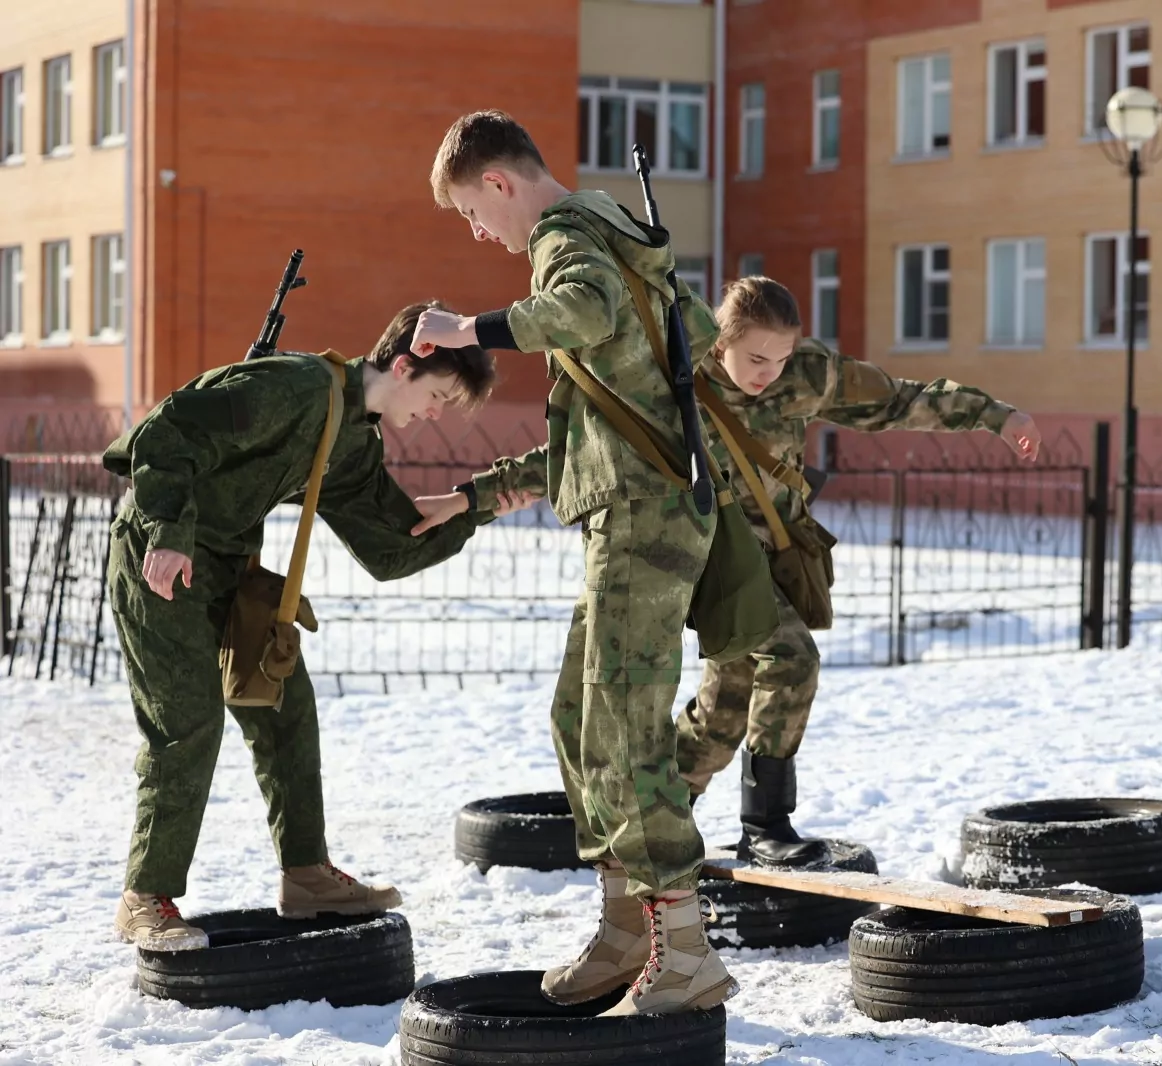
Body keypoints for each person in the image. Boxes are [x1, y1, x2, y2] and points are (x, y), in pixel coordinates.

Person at [409, 109, 731, 1016]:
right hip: (632, 508)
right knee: (579, 718)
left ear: (500, 183)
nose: (481, 233)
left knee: (626, 730)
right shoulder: (615, 230)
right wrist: (474, 497)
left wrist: (470, 327)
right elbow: (612, 417)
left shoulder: (563, 237)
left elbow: (581, 315)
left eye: (475, 213)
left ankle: (686, 949)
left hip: (642, 521)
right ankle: (630, 926)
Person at [103, 302, 498, 950]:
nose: (434, 416)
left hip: (228, 569)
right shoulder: (294, 387)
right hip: (158, 553)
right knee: (188, 722)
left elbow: (391, 547)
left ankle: (307, 874)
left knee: (284, 702)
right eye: (437, 396)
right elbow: (167, 434)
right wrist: (169, 532)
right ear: (405, 364)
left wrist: (483, 502)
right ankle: (145, 897)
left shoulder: (352, 439)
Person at [672, 276, 1039, 865]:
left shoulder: (809, 375)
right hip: (708, 561)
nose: (769, 371)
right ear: (721, 342)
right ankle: (764, 823)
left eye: (782, 356)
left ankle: (659, 811)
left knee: (728, 700)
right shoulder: (679, 377)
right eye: (756, 357)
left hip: (774, 556)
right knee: (792, 660)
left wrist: (997, 416)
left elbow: (897, 400)